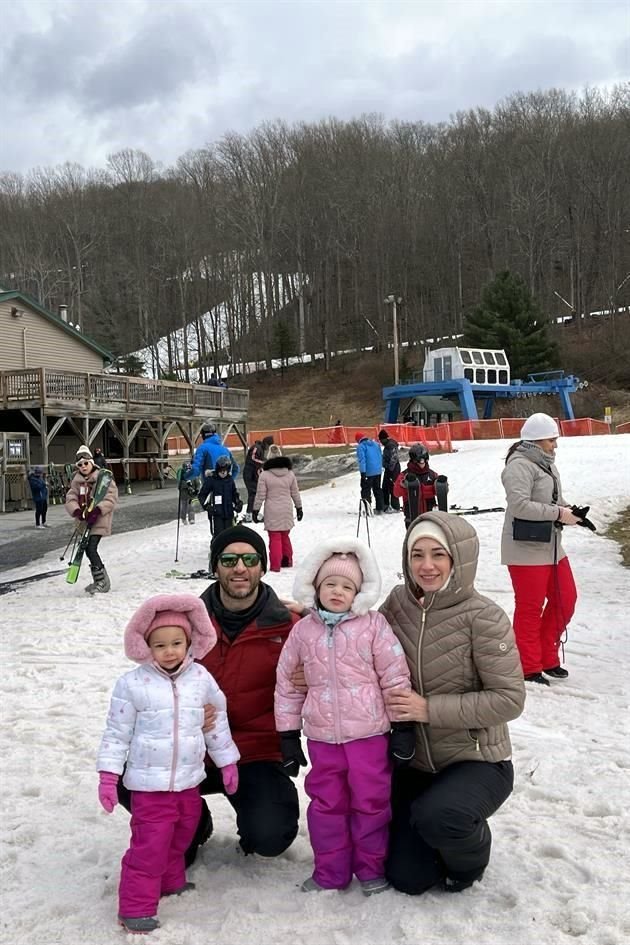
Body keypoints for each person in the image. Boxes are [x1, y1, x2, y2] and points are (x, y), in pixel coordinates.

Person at [378, 511, 525, 896]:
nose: (426, 566)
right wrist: (312, 627)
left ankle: (471, 858)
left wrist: (428, 709)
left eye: (438, 554)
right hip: (415, 763)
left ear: (459, 557)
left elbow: (509, 699)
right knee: (409, 878)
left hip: (476, 760)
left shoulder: (484, 617)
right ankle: (441, 828)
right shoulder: (397, 604)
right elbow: (360, 647)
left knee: (442, 818)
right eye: (417, 555)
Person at [275, 538, 414, 895]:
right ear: (316, 587)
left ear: (359, 592)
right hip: (323, 739)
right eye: (330, 584)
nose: (338, 591)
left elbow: (394, 676)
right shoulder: (303, 632)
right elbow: (288, 685)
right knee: (326, 807)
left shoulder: (373, 627)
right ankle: (330, 872)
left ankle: (370, 869)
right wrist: (288, 735)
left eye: (347, 586)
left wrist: (402, 726)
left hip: (369, 736)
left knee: (371, 804)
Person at [97, 593, 240, 934]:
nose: (170, 651)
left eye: (177, 642)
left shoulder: (201, 678)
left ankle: (172, 881)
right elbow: (116, 734)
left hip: (188, 781)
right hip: (149, 787)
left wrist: (227, 762)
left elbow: (216, 722)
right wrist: (108, 775)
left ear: (189, 642)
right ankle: (135, 907)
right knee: (150, 846)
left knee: (181, 834)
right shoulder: (132, 684)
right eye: (160, 645)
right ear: (147, 647)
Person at [501, 413, 580, 685]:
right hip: (525, 549)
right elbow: (519, 505)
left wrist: (572, 511)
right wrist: (559, 513)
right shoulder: (519, 466)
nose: (555, 445)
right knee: (530, 607)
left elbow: (553, 499)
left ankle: (548, 656)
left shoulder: (546, 464)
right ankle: (528, 665)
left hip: (551, 545)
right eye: (551, 440)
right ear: (535, 441)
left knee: (565, 599)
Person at [65, 445, 118, 594]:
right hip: (84, 522)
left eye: (85, 463)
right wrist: (76, 511)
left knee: (91, 548)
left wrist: (97, 510)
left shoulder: (103, 478)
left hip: (99, 520)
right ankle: (99, 580)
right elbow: (70, 498)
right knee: (87, 549)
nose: (83, 467)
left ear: (91, 463)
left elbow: (111, 497)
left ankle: (103, 582)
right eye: (80, 465)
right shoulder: (76, 481)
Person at [253, 447, 303, 572]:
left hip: (272, 508)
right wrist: (299, 507)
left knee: (274, 537)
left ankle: (276, 565)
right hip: (286, 508)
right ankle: (287, 560)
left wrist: (255, 510)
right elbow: (295, 492)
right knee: (285, 535)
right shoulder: (290, 473)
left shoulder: (265, 475)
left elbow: (260, 495)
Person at [198, 455, 243, 549]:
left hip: (229, 512)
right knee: (219, 534)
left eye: (225, 471)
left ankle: (227, 550)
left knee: (229, 534)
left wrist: (238, 502)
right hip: (217, 512)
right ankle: (217, 549)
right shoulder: (212, 480)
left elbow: (234, 493)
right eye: (221, 471)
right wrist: (207, 506)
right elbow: (202, 495)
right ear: (218, 469)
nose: (223, 473)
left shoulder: (230, 480)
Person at [394, 444, 439, 527]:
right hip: (412, 517)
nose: (423, 463)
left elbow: (439, 492)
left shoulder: (432, 474)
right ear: (414, 460)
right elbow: (396, 492)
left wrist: (440, 484)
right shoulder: (404, 475)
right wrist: (404, 485)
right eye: (421, 461)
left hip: (430, 517)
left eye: (425, 460)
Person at [242, 435, 274, 522]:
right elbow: (253, 458)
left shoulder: (262, 450)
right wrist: (264, 462)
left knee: (256, 493)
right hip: (249, 474)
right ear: (266, 443)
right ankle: (249, 513)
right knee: (253, 493)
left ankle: (253, 512)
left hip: (254, 475)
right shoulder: (256, 448)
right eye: (269, 446)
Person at [355, 432, 384, 515]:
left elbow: (362, 460)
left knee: (366, 490)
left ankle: (367, 509)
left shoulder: (361, 447)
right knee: (377, 489)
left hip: (368, 472)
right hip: (378, 471)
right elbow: (380, 456)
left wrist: (363, 473)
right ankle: (380, 508)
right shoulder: (376, 444)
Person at [377, 429, 401, 513]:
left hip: (393, 470)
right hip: (389, 469)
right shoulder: (387, 446)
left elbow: (393, 459)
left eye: (381, 440)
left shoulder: (391, 446)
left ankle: (395, 506)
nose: (380, 442)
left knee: (393, 487)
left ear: (385, 438)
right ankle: (385, 505)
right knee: (385, 487)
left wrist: (389, 467)